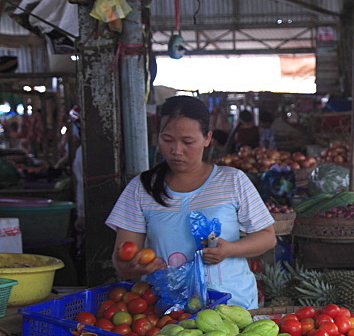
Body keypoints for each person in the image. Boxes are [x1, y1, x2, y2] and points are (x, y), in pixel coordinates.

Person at [107, 96, 277, 308]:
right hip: (164, 308)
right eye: (167, 140)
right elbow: (122, 258)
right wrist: (133, 266)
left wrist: (230, 249)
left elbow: (267, 237)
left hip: (232, 306)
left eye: (188, 142)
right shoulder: (141, 188)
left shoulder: (232, 181)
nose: (176, 150)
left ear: (207, 138)